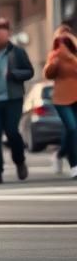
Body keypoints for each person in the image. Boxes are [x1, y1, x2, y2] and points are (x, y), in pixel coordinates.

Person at [0, 18, 33, 184]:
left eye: (1, 32)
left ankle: (19, 160)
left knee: (11, 132)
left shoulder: (18, 52)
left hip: (13, 99)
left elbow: (29, 72)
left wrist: (14, 74)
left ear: (8, 33)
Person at [44, 23, 77, 179]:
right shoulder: (54, 56)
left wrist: (70, 57)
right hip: (61, 99)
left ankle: (59, 153)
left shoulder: (74, 56)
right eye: (60, 40)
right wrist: (55, 63)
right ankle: (74, 165)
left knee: (73, 131)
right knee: (72, 128)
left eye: (66, 39)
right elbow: (48, 74)